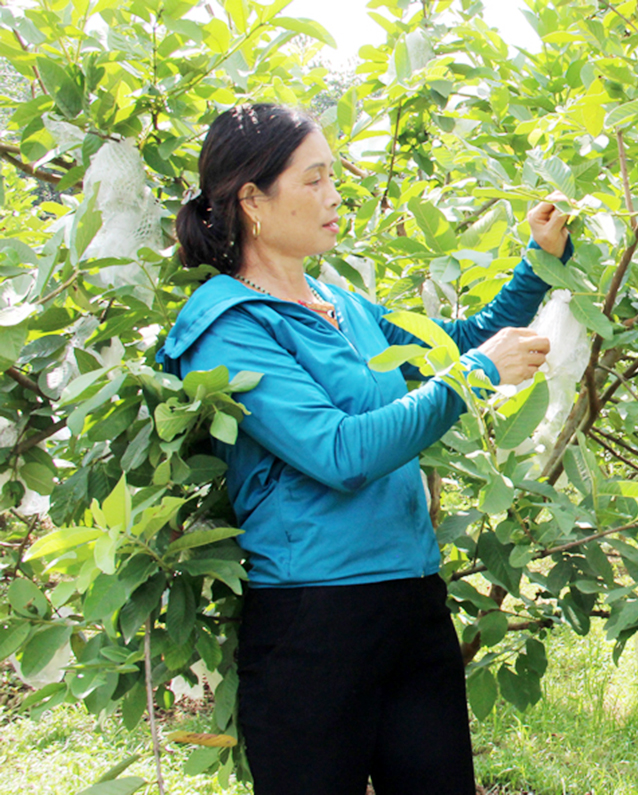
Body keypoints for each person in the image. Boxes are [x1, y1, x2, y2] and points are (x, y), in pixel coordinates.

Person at [159, 103, 571, 795]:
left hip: (410, 598)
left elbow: (459, 340)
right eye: (313, 179)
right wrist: (474, 376)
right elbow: (339, 453)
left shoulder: (340, 304)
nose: (333, 195)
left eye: (333, 176)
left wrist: (539, 260)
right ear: (252, 200)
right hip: (312, 622)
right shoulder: (227, 327)